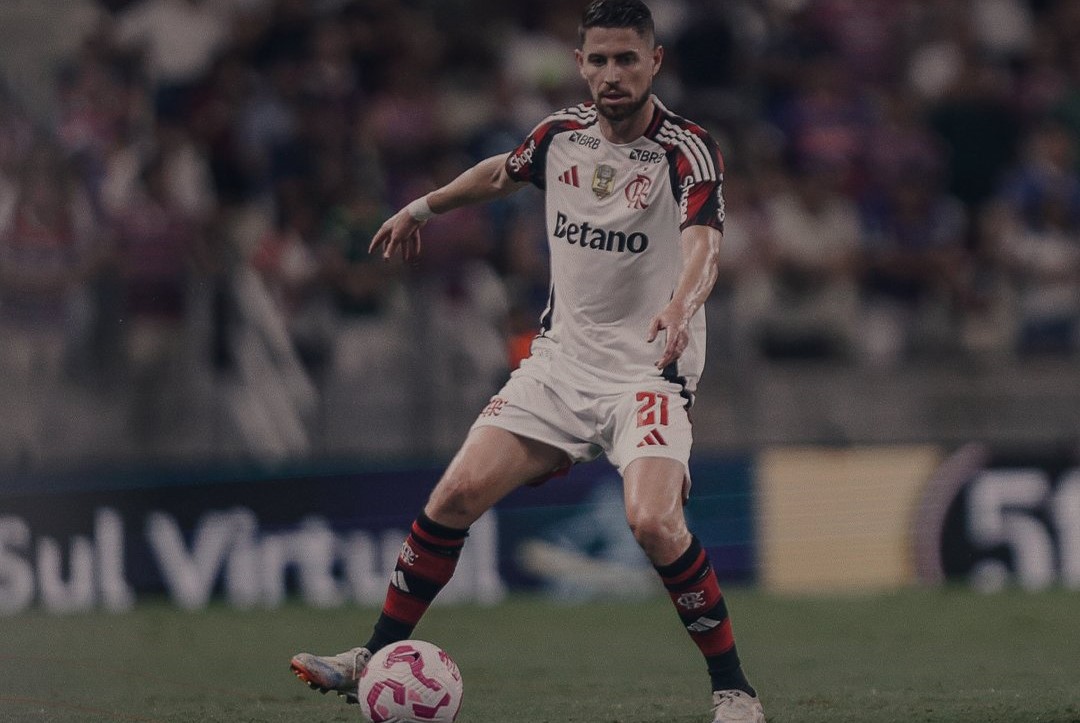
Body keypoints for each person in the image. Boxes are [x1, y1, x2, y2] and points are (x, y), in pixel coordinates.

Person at [289, 2, 765, 721]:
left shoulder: (688, 149)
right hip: (558, 368)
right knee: (451, 498)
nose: (612, 74)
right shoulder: (560, 136)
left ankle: (733, 689)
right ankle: (370, 656)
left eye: (626, 59)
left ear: (654, 62)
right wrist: (423, 207)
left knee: (655, 524)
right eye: (599, 60)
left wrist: (683, 304)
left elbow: (704, 241)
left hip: (647, 373)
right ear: (580, 64)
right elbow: (501, 173)